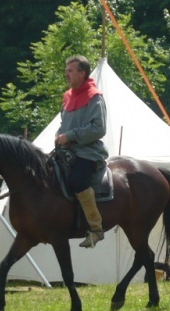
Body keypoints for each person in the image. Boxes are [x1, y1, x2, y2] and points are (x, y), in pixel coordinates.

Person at [55, 55, 108, 248]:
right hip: (67, 150)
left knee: (77, 180)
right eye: (67, 70)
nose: (66, 74)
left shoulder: (95, 97)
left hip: (88, 152)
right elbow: (63, 125)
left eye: (71, 71)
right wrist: (59, 135)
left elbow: (99, 129)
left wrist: (70, 136)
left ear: (82, 73)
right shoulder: (68, 96)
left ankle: (96, 228)